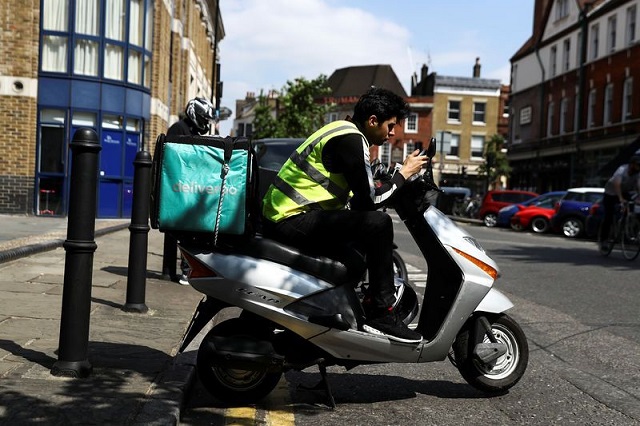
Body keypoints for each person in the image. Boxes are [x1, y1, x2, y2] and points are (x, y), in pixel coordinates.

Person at [261, 87, 427, 343]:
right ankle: (381, 312)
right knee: (379, 224)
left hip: (290, 215)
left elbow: (359, 196)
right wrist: (402, 175)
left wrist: (389, 179)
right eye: (390, 126)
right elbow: (370, 203)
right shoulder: (352, 139)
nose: (393, 133)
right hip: (291, 217)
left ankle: (327, 324)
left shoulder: (340, 129)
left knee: (355, 261)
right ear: (373, 121)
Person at [164, 97, 216, 285]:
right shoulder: (179, 129)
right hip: (177, 189)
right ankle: (182, 270)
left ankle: (183, 270)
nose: (206, 124)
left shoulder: (191, 130)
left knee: (186, 231)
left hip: (187, 189)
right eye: (205, 119)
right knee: (182, 232)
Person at [599, 154, 640, 249]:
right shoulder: (622, 169)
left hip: (625, 191)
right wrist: (620, 198)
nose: (639, 167)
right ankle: (604, 240)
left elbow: (639, 185)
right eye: (637, 165)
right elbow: (617, 184)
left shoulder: (638, 173)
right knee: (608, 216)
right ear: (632, 164)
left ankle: (627, 224)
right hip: (611, 192)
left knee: (633, 209)